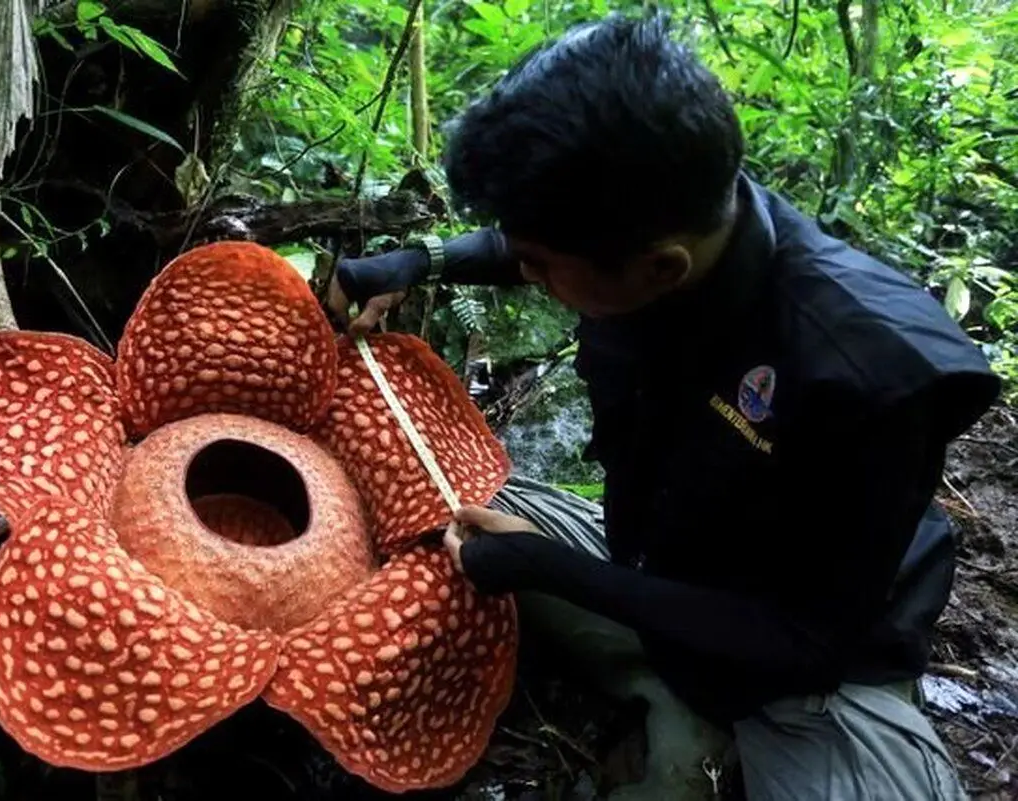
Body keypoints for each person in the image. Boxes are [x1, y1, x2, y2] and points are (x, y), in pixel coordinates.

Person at [326, 11, 1001, 801]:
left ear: (658, 269)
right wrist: (414, 260)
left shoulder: (869, 372)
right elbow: (531, 246)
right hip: (643, 558)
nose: (528, 272)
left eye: (543, 266)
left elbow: (803, 641)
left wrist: (551, 567)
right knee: (409, 488)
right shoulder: (673, 205)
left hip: (800, 676)